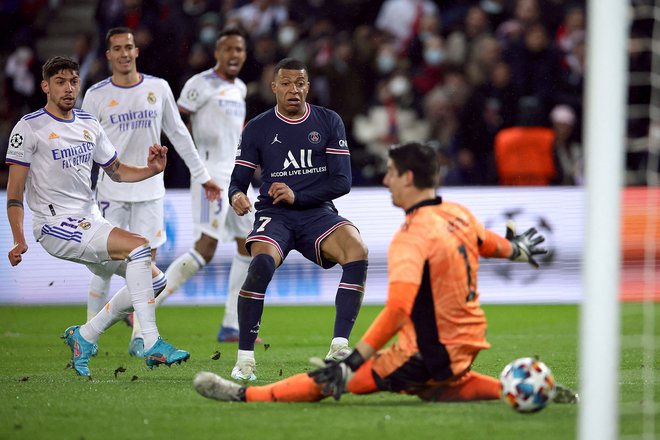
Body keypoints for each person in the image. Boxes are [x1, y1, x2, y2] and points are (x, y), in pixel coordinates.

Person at [192, 141, 577, 404]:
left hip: (428, 352)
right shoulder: (458, 213)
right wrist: (518, 250)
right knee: (438, 387)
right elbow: (489, 242)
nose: (385, 179)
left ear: (408, 178)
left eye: (391, 172)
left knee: (328, 382)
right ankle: (520, 389)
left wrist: (353, 361)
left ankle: (243, 395)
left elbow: (396, 310)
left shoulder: (412, 236)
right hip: (469, 342)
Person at [5, 56, 189, 377]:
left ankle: (86, 335)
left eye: (74, 81)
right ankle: (152, 342)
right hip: (54, 225)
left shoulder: (88, 123)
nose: (69, 88)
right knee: (139, 246)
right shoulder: (29, 127)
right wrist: (19, 239)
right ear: (45, 86)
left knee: (156, 280)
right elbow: (14, 194)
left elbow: (116, 172)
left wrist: (150, 169)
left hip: (89, 221)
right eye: (60, 82)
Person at [81, 27, 221, 357]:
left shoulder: (158, 88)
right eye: (117, 48)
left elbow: (178, 135)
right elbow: (83, 148)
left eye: (129, 47)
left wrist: (202, 176)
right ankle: (89, 336)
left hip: (151, 193)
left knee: (148, 268)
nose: (125, 53)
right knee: (103, 266)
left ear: (136, 51)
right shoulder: (96, 95)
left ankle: (141, 337)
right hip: (111, 193)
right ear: (109, 55)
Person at [226, 57, 369, 381]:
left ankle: (339, 345)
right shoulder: (258, 127)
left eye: (300, 83)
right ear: (274, 87)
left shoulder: (328, 121)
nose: (294, 90)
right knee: (260, 265)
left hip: (317, 213)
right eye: (287, 83)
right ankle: (245, 359)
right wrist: (236, 195)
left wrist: (297, 195)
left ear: (308, 86)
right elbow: (238, 180)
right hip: (274, 215)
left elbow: (342, 182)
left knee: (357, 250)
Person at [158, 27, 256, 343]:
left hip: (237, 177)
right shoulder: (200, 84)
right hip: (210, 175)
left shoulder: (240, 88)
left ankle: (232, 325)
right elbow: (174, 118)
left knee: (248, 244)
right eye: (228, 49)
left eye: (239, 50)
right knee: (207, 245)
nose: (234, 55)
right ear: (217, 53)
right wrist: (195, 154)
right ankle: (145, 305)